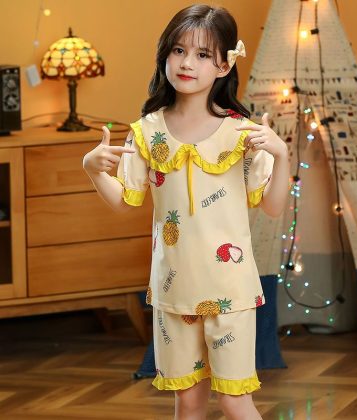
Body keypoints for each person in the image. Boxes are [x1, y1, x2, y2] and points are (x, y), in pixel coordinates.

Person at [82, 4, 289, 420]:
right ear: (165, 55)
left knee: (235, 401)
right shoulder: (146, 131)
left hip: (230, 292)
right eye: (178, 50)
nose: (186, 63)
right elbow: (124, 201)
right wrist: (92, 169)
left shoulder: (242, 133)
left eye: (202, 54)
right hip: (173, 294)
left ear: (225, 65)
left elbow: (272, 206)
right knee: (188, 403)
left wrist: (282, 155)